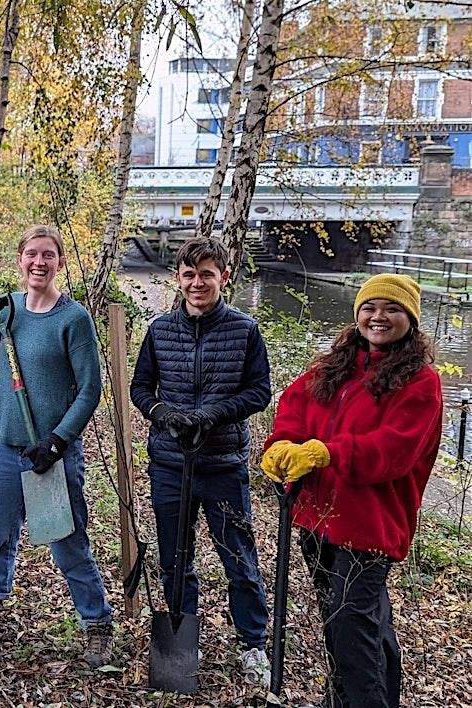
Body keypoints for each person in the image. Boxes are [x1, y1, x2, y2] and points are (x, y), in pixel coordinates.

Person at [261, 273, 442, 708]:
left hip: (370, 526)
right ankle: (349, 699)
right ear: (357, 314)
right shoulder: (337, 365)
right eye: (370, 308)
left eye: (392, 309)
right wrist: (283, 442)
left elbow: (395, 450)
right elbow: (295, 404)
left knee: (350, 629)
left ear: (411, 319)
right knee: (357, 622)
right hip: (316, 516)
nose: (379, 317)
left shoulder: (420, 382)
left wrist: (328, 453)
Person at [0, 225, 114, 667]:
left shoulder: (74, 319)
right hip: (4, 447)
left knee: (65, 542)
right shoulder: (9, 309)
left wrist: (58, 441)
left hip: (49, 452)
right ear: (20, 258)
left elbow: (90, 391)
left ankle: (96, 623)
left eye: (48, 255)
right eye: (31, 254)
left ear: (60, 262)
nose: (38, 263)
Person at [130, 237, 273, 686]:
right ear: (179, 278)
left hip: (223, 464)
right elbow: (141, 389)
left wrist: (213, 414)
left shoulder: (244, 330)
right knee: (175, 558)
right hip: (171, 463)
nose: (197, 283)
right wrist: (163, 414)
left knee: (239, 557)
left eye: (207, 275)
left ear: (223, 277)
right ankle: (181, 642)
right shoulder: (159, 330)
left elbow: (259, 392)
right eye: (189, 275)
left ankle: (253, 644)